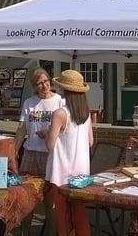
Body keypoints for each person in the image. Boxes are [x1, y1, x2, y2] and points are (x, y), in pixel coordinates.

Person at [15, 68, 63, 236]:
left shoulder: (60, 101)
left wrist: (50, 134)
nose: (44, 86)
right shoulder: (29, 103)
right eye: (39, 84)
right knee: (27, 199)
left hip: (50, 155)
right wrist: (14, 150)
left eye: (46, 81)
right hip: (30, 153)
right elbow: (21, 128)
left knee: (50, 202)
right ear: (34, 87)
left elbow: (65, 129)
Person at [44, 70, 93, 236]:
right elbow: (91, 142)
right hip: (81, 173)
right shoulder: (86, 113)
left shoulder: (60, 114)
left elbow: (50, 145)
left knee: (63, 216)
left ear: (64, 90)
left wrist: (46, 134)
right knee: (79, 214)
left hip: (62, 172)